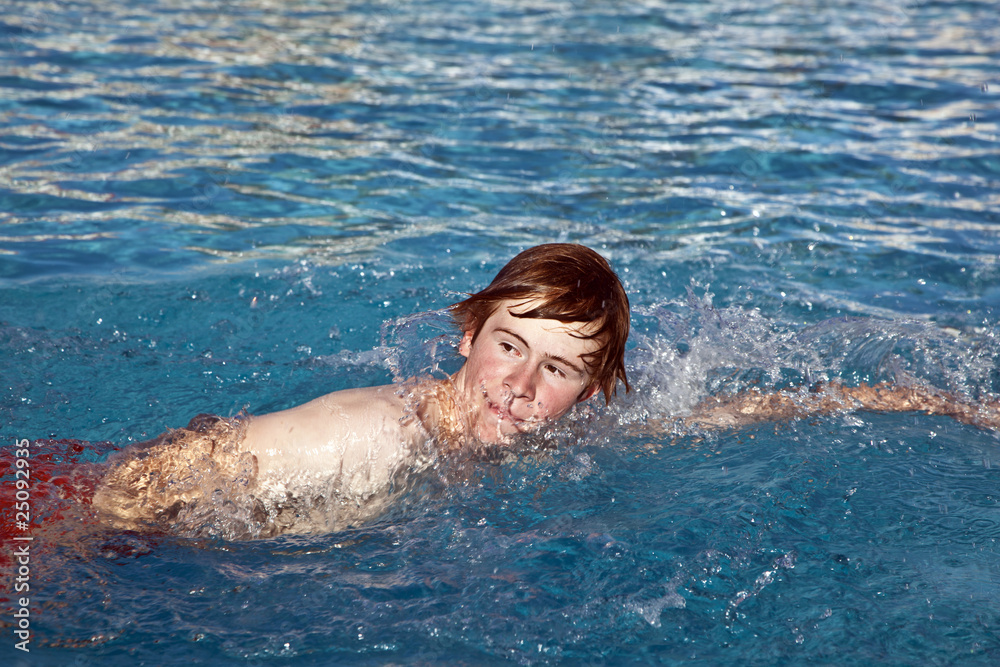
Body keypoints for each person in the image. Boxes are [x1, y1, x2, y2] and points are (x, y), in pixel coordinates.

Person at [91, 243, 997, 538]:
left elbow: (747, 411)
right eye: (508, 346)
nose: (518, 388)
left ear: (595, 389)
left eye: (557, 368)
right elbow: (130, 490)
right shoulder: (372, 432)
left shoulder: (576, 437)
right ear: (466, 335)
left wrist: (939, 404)